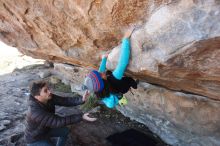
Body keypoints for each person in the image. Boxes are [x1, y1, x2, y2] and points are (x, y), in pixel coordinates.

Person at [25, 80, 96, 146]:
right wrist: (81, 116)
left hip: (46, 129)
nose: (49, 92)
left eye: (48, 88)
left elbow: (65, 101)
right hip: (36, 138)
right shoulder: (34, 111)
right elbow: (58, 121)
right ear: (37, 97)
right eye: (45, 91)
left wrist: (82, 99)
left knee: (65, 131)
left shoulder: (49, 97)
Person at [83, 27, 138, 108]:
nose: (100, 72)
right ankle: (134, 85)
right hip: (122, 87)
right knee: (130, 81)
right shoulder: (114, 78)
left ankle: (124, 93)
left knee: (108, 75)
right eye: (100, 74)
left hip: (114, 90)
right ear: (103, 80)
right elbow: (122, 63)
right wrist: (125, 40)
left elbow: (101, 72)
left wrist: (104, 59)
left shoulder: (99, 89)